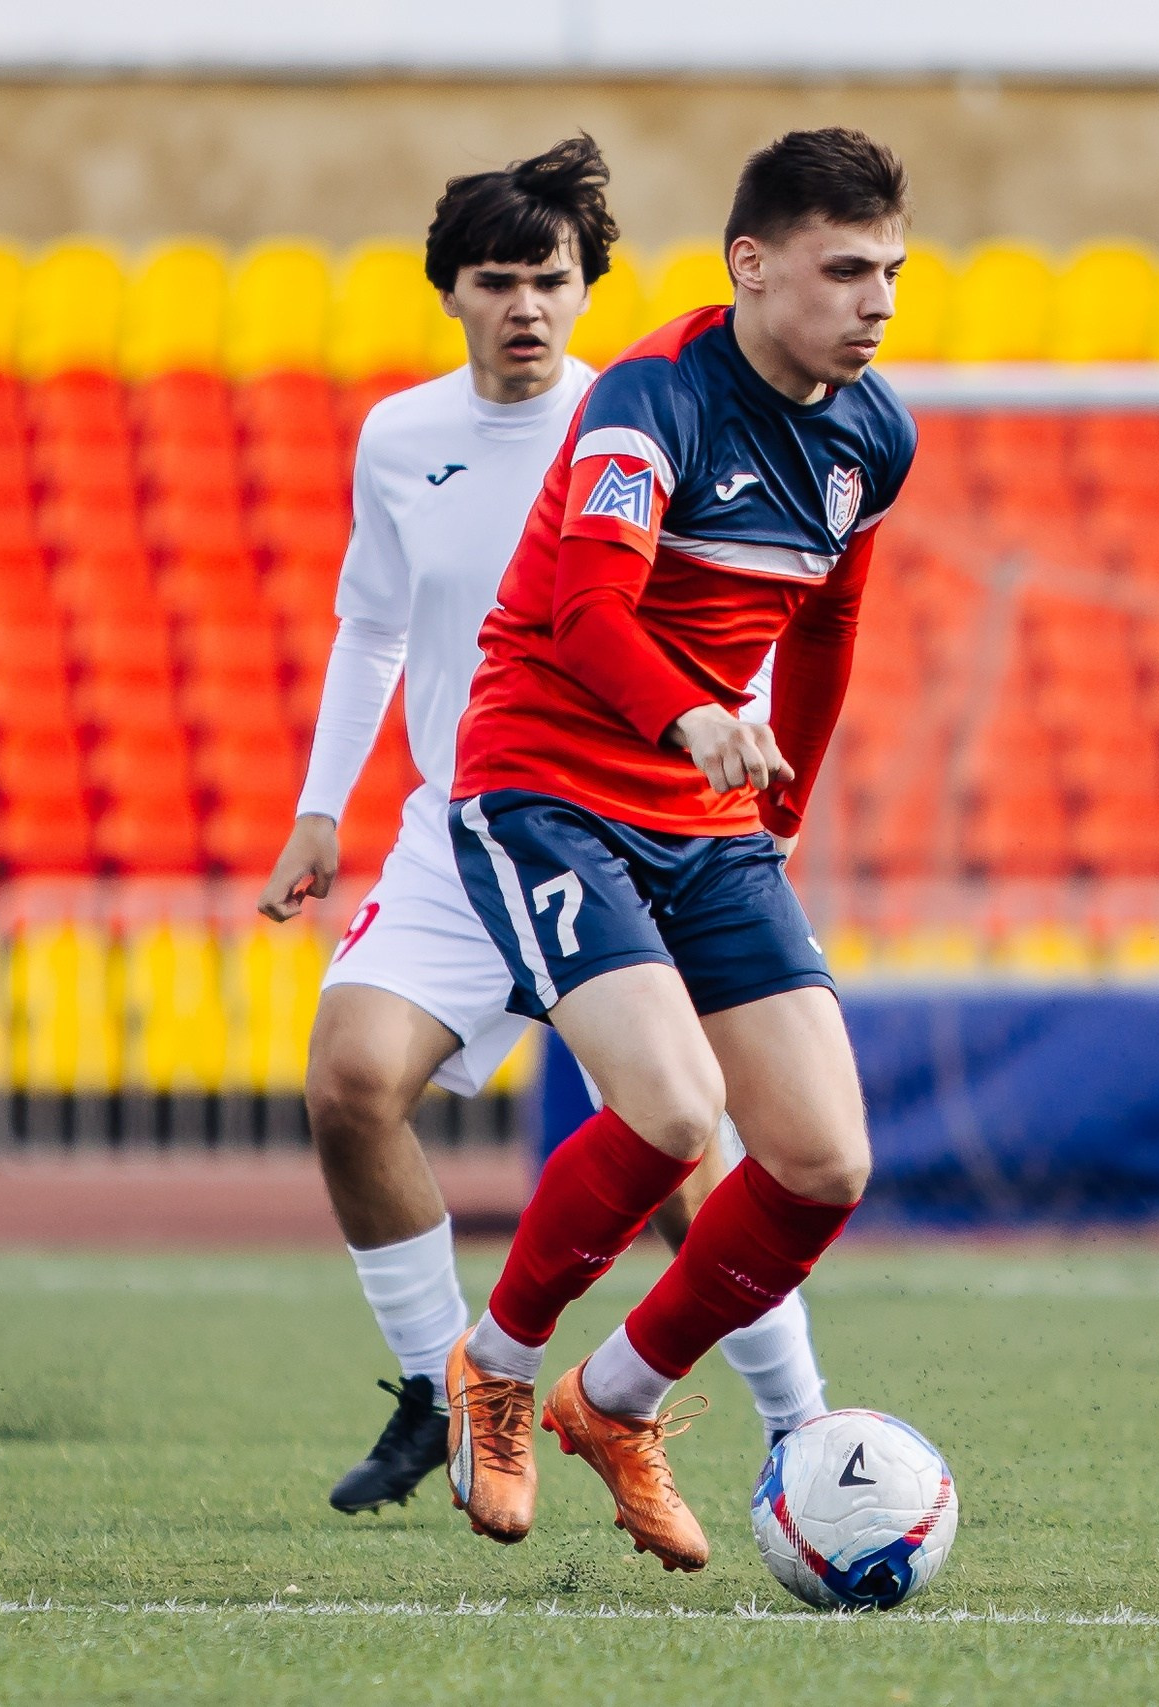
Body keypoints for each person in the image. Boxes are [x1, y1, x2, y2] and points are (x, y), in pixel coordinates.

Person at [256, 138, 830, 1516]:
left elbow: (735, 617)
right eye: (496, 280)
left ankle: (800, 1429)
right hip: (464, 825)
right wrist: (321, 807)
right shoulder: (398, 438)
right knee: (347, 1083)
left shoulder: (642, 417)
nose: (525, 305)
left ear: (585, 288)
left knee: (683, 1142)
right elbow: (373, 628)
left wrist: (742, 759)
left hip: (629, 825)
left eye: (550, 279)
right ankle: (439, 1390)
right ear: (451, 292)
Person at [439, 127, 915, 1572]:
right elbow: (585, 614)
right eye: (845, 270)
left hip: (707, 817)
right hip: (548, 786)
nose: (876, 302)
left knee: (822, 1160)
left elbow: (827, 629)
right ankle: (495, 1364)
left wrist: (787, 802)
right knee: (669, 1108)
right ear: (751, 265)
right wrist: (696, 715)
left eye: (892, 272)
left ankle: (617, 1398)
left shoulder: (874, 433)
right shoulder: (652, 399)